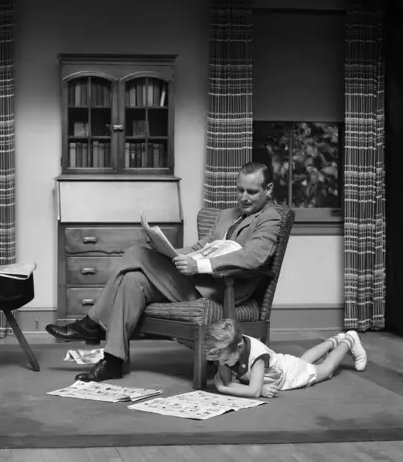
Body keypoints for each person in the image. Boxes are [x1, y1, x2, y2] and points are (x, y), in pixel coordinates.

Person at [46, 161, 281, 382]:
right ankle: (113, 361)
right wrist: (166, 253)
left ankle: (92, 322)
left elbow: (252, 257)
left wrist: (198, 265)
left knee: (136, 253)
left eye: (251, 192)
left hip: (223, 291)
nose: (243, 197)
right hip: (193, 283)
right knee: (133, 279)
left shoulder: (270, 218)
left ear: (268, 189)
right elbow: (201, 247)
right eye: (239, 190)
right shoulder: (226, 215)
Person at [203, 318, 367, 398]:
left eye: (224, 361)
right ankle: (335, 340)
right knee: (302, 361)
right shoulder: (228, 349)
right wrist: (255, 388)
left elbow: (252, 392)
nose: (222, 365)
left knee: (325, 370)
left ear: (239, 348)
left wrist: (223, 389)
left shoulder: (257, 356)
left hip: (289, 374)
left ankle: (349, 339)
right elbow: (233, 382)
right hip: (282, 365)